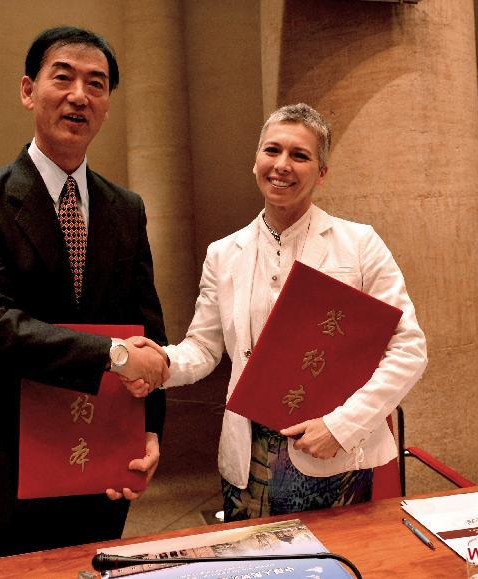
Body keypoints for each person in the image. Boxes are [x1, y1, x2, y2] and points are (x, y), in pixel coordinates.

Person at [0, 26, 170, 561]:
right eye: (62, 78)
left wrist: (148, 434)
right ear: (28, 90)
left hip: (99, 459)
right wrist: (113, 356)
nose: (79, 95)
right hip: (6, 465)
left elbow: (147, 330)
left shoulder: (125, 207)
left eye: (97, 83)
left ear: (108, 104)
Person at [132, 103, 427, 520]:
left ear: (322, 172)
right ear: (256, 160)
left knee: (331, 565)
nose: (282, 165)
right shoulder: (224, 253)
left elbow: (409, 348)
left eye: (300, 155)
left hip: (331, 451)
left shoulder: (359, 245)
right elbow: (203, 347)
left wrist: (342, 426)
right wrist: (161, 362)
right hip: (246, 456)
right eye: (272, 150)